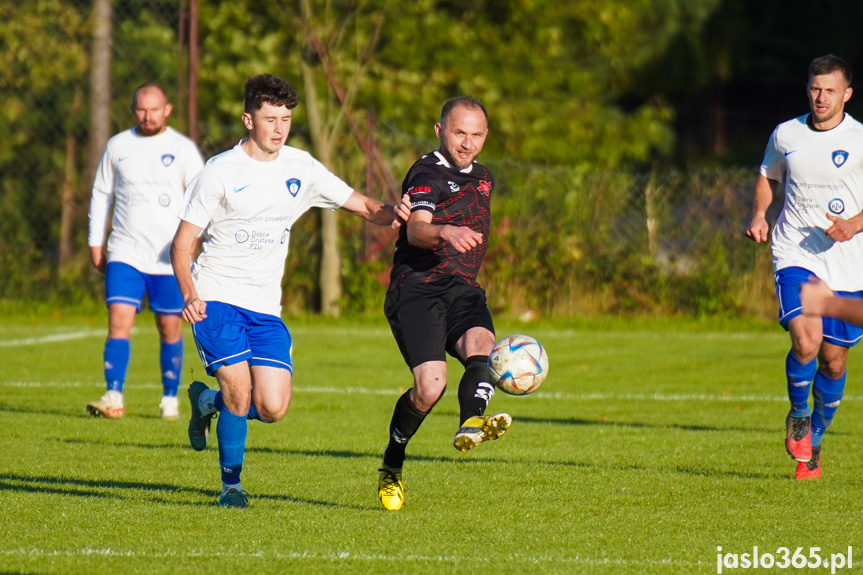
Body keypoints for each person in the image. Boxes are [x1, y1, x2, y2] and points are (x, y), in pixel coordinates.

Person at [171, 73, 410, 508]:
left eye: (285, 119)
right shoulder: (220, 172)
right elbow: (183, 244)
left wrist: (402, 213)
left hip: (265, 307)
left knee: (274, 407)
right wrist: (190, 294)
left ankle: (206, 401)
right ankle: (232, 487)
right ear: (248, 120)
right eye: (270, 119)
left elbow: (366, 206)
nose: (279, 128)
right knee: (240, 393)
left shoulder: (301, 167)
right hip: (217, 297)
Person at [377, 96, 510, 511]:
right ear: (440, 131)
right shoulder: (426, 173)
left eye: (476, 135)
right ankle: (392, 462)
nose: (467, 143)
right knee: (430, 387)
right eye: (458, 133)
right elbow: (416, 230)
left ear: (486, 136)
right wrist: (446, 231)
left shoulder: (484, 177)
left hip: (462, 288)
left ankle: (471, 421)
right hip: (415, 289)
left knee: (482, 344)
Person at [746, 54, 863, 480]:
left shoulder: (860, 139)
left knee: (833, 361)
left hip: (849, 265)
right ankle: (798, 414)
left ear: (846, 95)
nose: (821, 97)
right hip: (796, 253)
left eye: (830, 90)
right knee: (807, 341)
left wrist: (854, 224)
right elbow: (767, 176)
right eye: (815, 88)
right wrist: (760, 214)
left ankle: (814, 439)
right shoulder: (786, 134)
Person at [87, 83, 205, 420]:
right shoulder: (118, 146)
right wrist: (96, 243)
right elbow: (100, 193)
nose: (147, 115)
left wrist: (196, 241)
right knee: (118, 321)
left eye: (154, 109)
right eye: (141, 109)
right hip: (125, 250)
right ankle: (113, 395)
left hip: (168, 257)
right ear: (132, 109)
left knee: (169, 327)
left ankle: (170, 397)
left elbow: (202, 196)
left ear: (167, 110)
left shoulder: (182, 149)